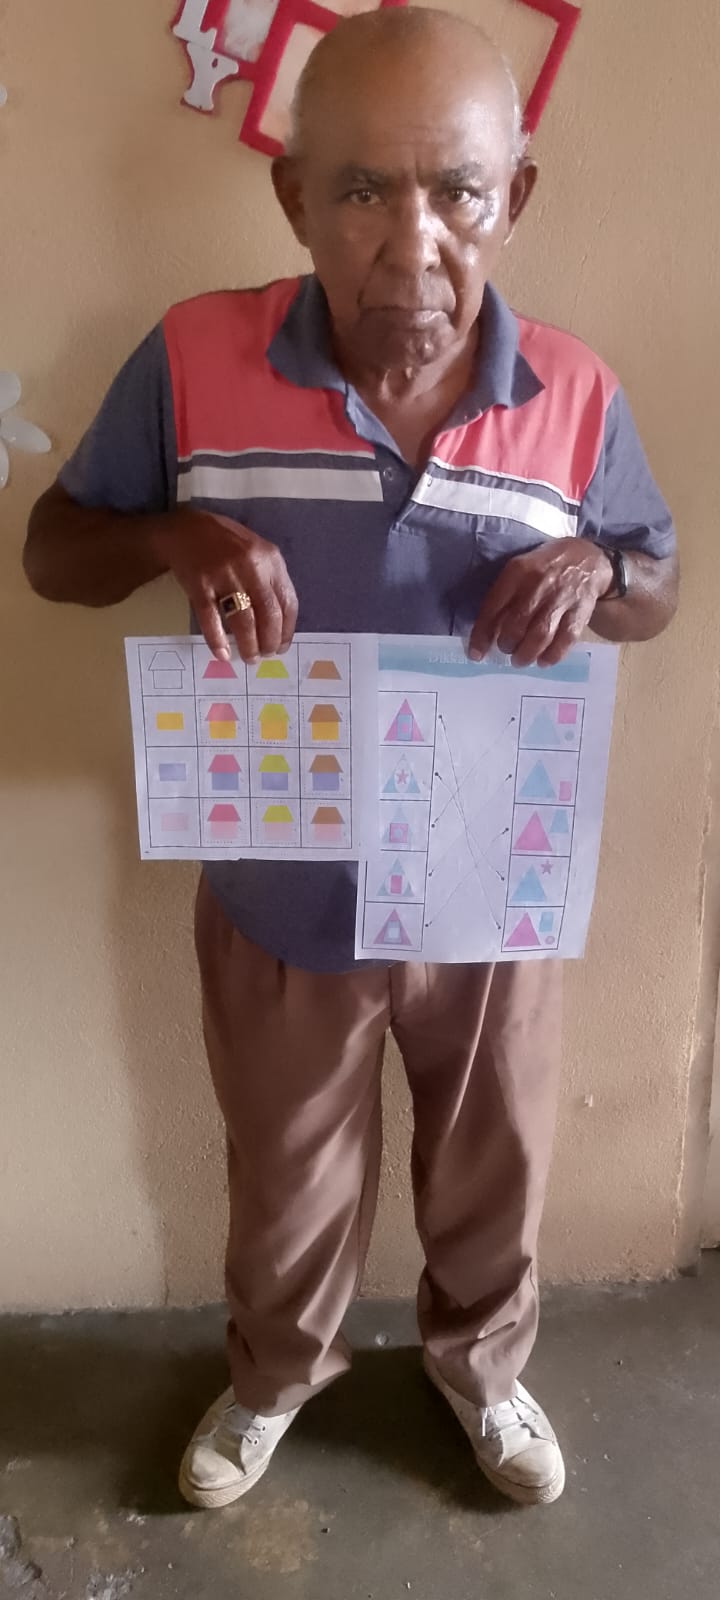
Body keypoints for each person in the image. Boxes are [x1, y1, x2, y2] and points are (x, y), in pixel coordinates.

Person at [24, 6, 678, 1511]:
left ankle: (484, 1373)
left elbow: (656, 586)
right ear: (295, 198)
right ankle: (273, 1377)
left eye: (458, 190)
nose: (413, 241)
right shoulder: (196, 358)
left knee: (494, 1162)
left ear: (515, 197)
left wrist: (597, 567)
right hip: (283, 881)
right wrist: (171, 533)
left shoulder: (574, 394)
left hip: (492, 889)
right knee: (286, 1173)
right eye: (365, 190)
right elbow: (56, 554)